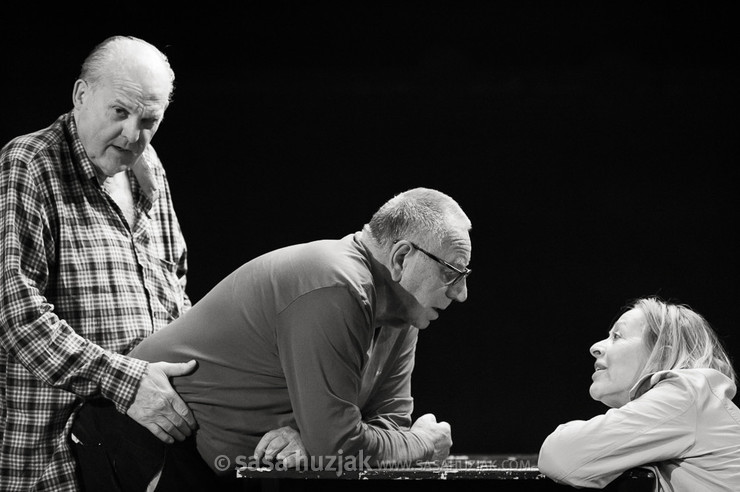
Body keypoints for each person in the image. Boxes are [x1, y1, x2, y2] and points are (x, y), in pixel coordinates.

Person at [71, 187, 471, 490]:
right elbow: (344, 450)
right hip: (147, 445)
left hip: (208, 467)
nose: (460, 293)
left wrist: (308, 435)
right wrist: (419, 443)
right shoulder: (336, 284)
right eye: (451, 274)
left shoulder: (401, 315)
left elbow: (382, 425)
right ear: (402, 258)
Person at [0, 36, 197, 491]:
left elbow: (176, 292)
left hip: (149, 454)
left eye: (149, 120)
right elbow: (18, 316)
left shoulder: (149, 171)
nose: (133, 135)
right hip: (59, 462)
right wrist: (128, 383)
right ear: (81, 96)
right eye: (120, 112)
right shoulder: (29, 163)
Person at [538, 297, 740, 490]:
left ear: (662, 351)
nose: (595, 348)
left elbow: (561, 456)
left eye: (617, 336)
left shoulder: (685, 394)